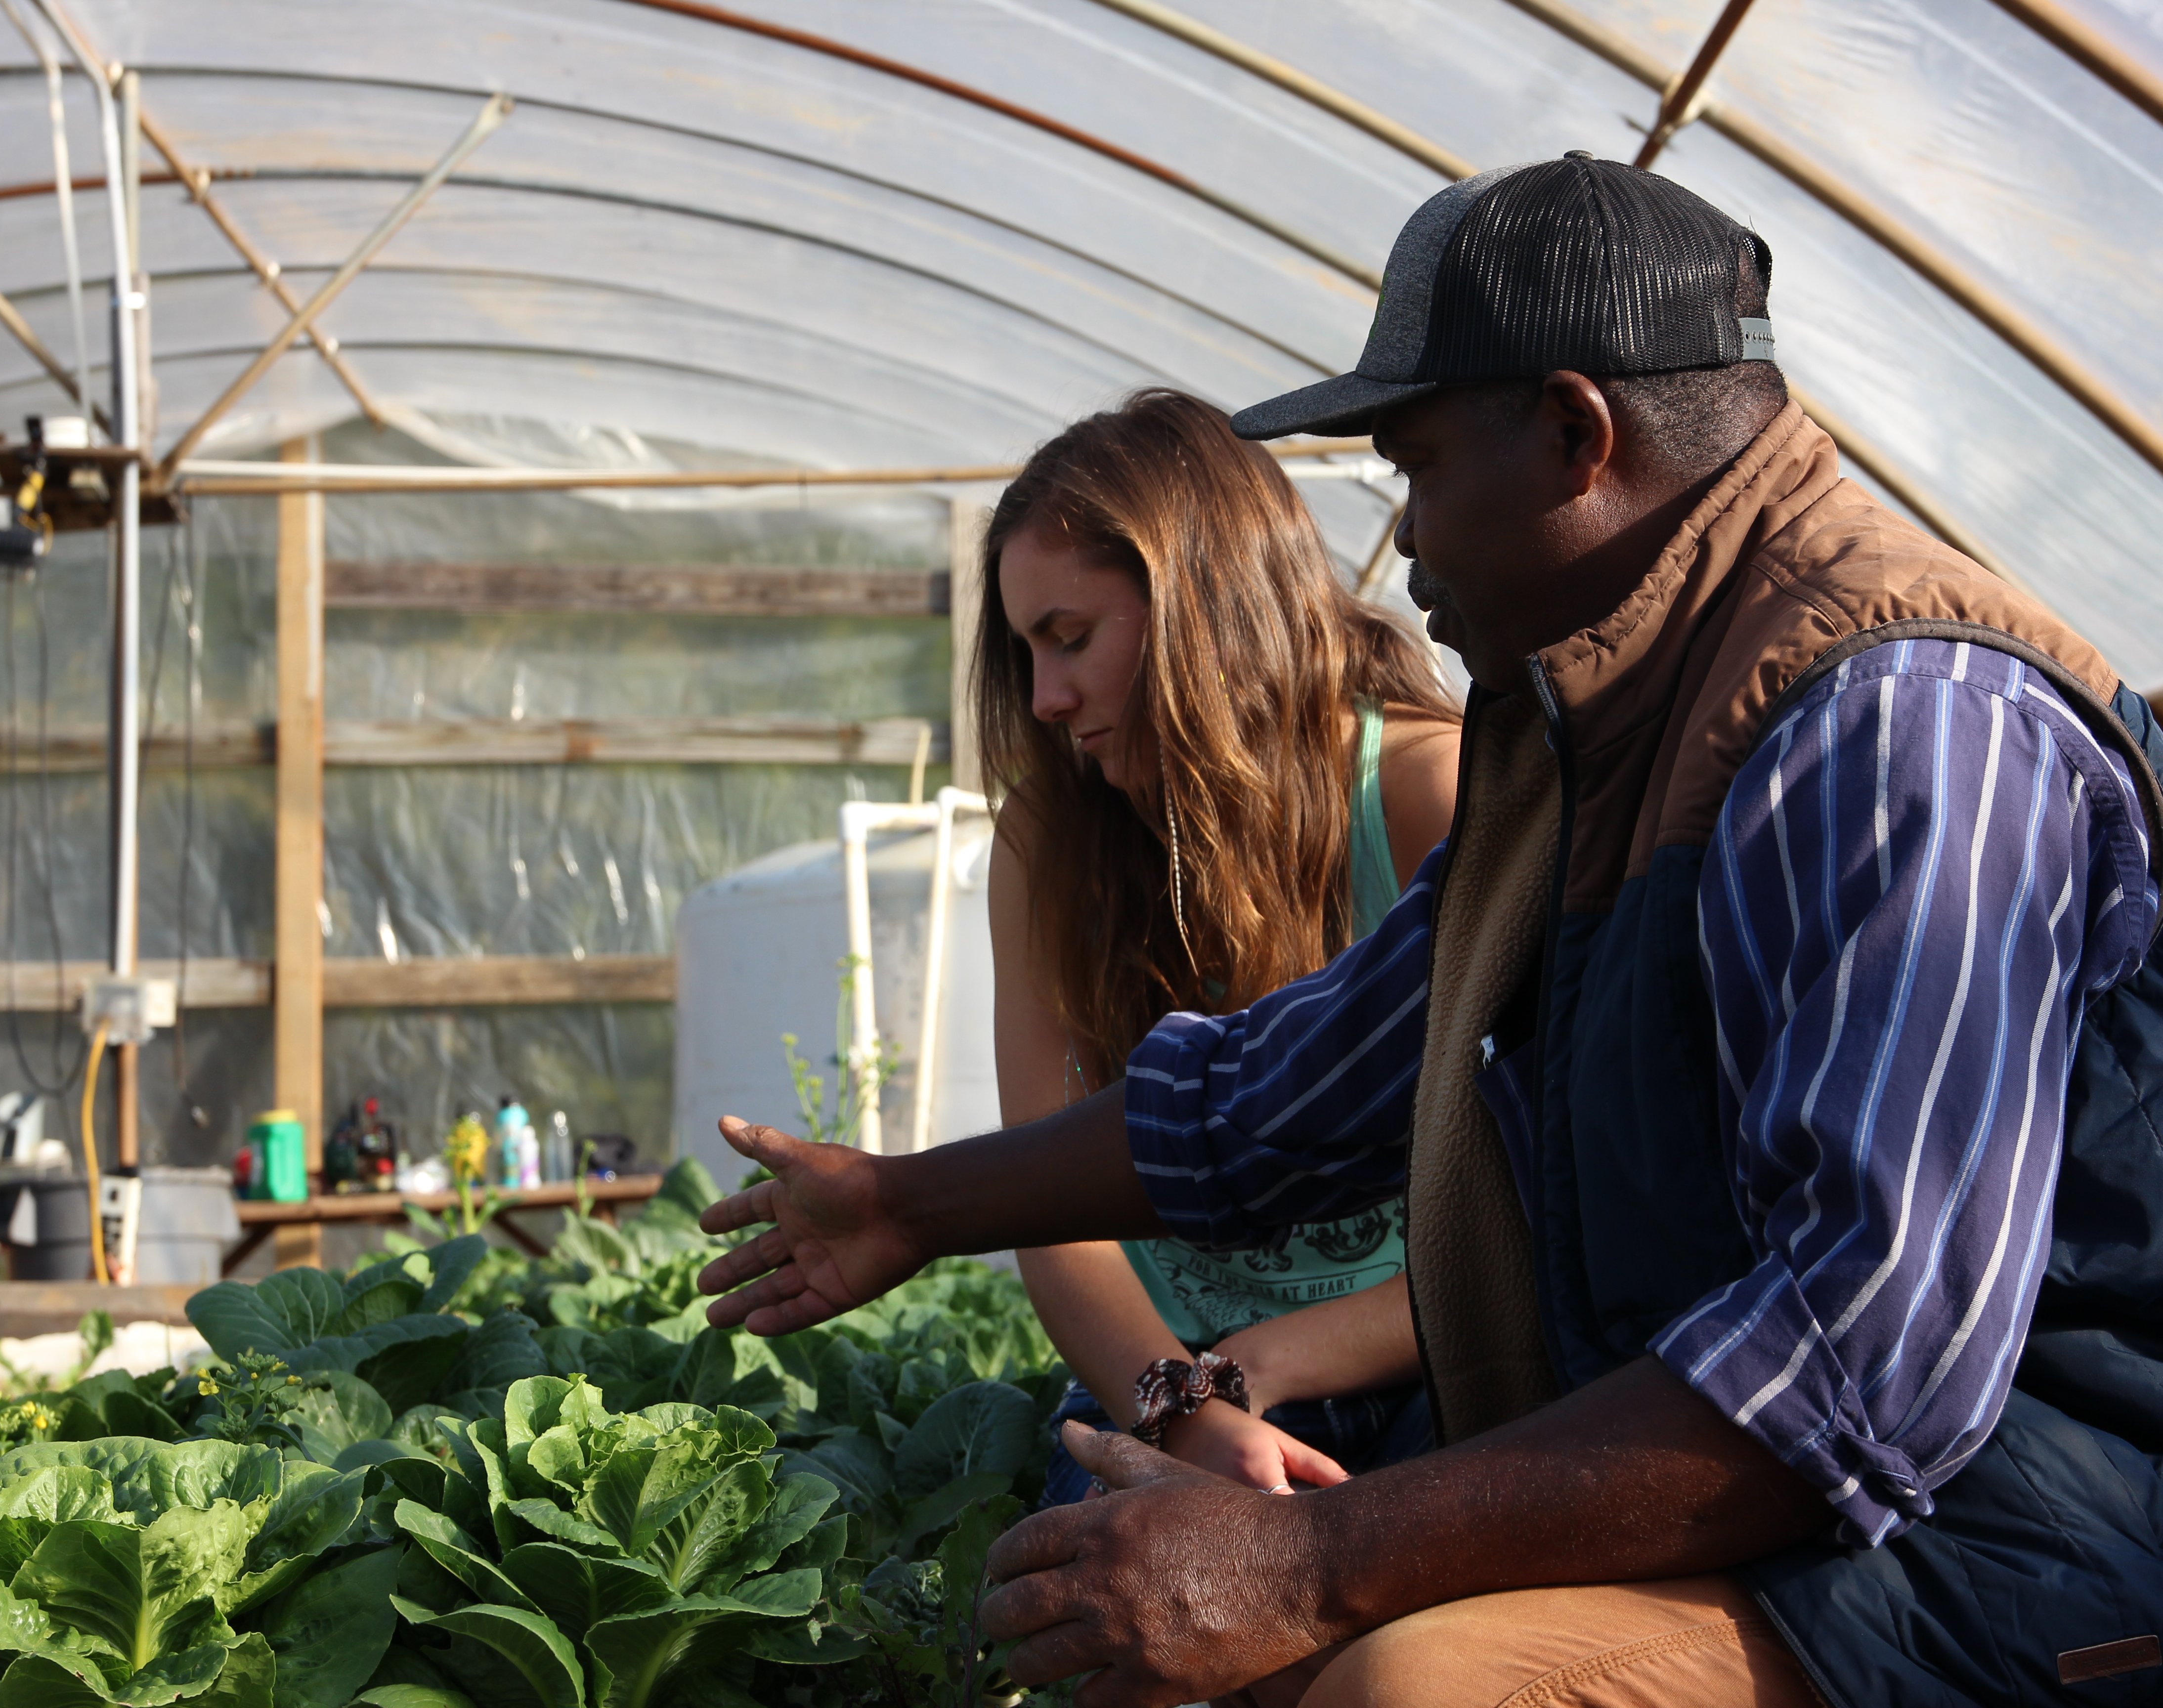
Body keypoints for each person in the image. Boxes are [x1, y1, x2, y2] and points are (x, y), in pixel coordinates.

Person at [694, 152, 2163, 1708]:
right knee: (1156, 1618)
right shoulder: (1601, 733)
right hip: (1791, 1499)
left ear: (1578, 437)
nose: (1406, 544)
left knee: (1408, 1687)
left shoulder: (1901, 726)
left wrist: (1310, 1564)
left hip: (2019, 1540)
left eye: (1420, 466)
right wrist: (912, 1205)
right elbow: (1278, 1096)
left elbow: (1864, 1371)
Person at [976, 388, 1458, 1500]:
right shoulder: (1049, 841)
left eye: (1072, 638)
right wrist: (1181, 1407)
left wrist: (1258, 1371)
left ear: (1205, 603)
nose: (1046, 700)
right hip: (1157, 1384)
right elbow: (1057, 1223)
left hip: (1430, 1369)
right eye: (1028, 653)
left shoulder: (1431, 792)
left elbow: (1531, 1208)